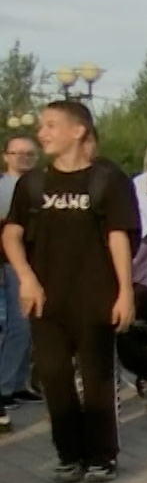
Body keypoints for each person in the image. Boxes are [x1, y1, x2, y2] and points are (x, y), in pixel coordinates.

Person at [2, 100, 139, 480]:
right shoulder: (33, 184)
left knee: (96, 380)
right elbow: (11, 235)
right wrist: (26, 277)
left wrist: (125, 291)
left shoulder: (107, 181)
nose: (42, 133)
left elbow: (118, 238)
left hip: (95, 297)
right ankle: (69, 455)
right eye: (41, 126)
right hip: (46, 301)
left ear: (77, 131)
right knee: (53, 377)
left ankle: (101, 457)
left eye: (50, 125)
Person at [0, 133, 38, 411]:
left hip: (37, 261)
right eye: (17, 153)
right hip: (10, 264)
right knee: (18, 324)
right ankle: (4, 387)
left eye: (29, 153)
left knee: (30, 326)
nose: (23, 157)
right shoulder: (3, 187)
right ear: (6, 157)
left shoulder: (39, 185)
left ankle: (18, 384)